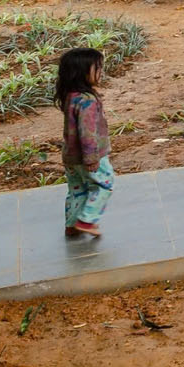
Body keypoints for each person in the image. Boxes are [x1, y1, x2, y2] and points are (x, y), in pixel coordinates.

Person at [57, 46, 113, 237]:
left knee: (77, 190)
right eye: (97, 69)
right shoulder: (87, 101)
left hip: (70, 157)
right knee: (103, 185)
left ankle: (72, 225)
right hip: (90, 156)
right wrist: (91, 158)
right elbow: (87, 133)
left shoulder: (70, 96)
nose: (101, 72)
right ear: (81, 73)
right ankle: (87, 220)